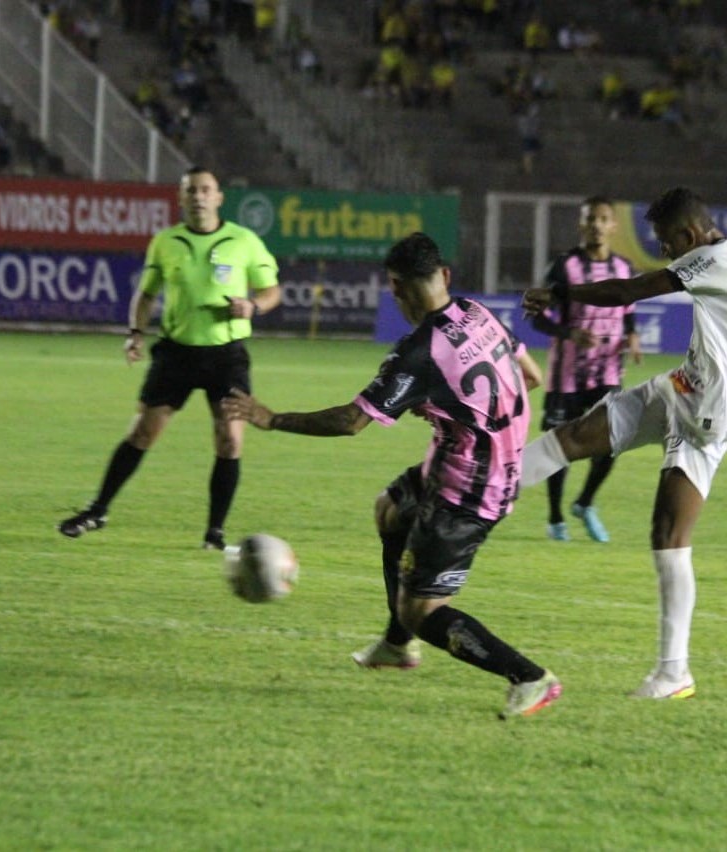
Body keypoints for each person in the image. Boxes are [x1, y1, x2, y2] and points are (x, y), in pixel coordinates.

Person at [222, 232, 562, 719]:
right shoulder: (477, 312)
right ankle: (397, 646)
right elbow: (530, 377)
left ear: (397, 288)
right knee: (390, 510)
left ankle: (529, 677)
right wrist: (457, 409)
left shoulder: (418, 351)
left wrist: (272, 418)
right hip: (471, 464)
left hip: (468, 491)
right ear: (444, 276)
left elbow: (351, 422)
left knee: (423, 612)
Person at [521, 187, 727, 700]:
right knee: (573, 436)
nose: (663, 250)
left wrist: (562, 294)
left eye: (664, 241)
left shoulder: (710, 259)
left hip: (708, 416)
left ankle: (672, 672)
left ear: (687, 235)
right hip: (683, 386)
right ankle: (482, 488)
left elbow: (627, 293)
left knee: (668, 535)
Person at [58, 166, 281, 549]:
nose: (198, 196)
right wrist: (135, 334)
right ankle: (98, 510)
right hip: (176, 353)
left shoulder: (243, 241)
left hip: (226, 356)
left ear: (219, 197)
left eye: (205, 190)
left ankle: (214, 532)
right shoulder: (165, 242)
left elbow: (272, 290)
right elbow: (146, 295)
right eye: (191, 190)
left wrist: (253, 305)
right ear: (180, 198)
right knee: (142, 432)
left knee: (229, 439)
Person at [529, 195, 642, 543]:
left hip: (607, 374)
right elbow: (534, 313)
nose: (596, 224)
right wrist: (568, 333)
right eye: (590, 218)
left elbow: (628, 311)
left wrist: (633, 336)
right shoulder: (564, 268)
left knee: (612, 442)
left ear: (613, 226)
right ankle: (555, 518)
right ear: (581, 224)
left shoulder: (624, 268)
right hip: (566, 378)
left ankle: (585, 503)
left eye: (603, 218)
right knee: (558, 447)